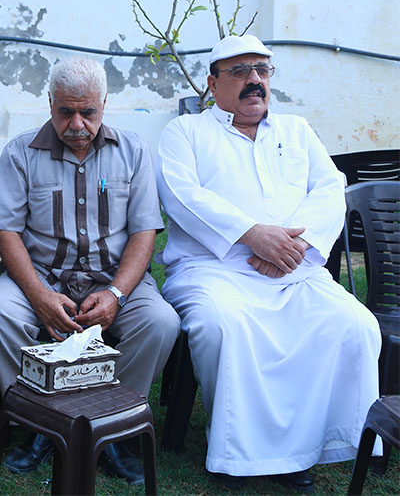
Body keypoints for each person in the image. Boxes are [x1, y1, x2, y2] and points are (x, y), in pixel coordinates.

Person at [155, 34, 381, 492]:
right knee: (223, 326)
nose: (254, 80)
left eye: (262, 69)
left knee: (354, 324)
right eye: (239, 71)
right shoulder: (186, 132)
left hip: (295, 269)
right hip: (213, 272)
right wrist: (253, 235)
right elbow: (181, 195)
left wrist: (295, 247)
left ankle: (309, 445)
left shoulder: (297, 130)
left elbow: (330, 187)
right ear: (212, 84)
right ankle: (239, 452)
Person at [0, 56, 180, 484]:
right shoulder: (20, 152)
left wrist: (117, 295)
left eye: (88, 112)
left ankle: (114, 426)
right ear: (50, 103)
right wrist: (39, 296)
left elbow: (144, 233)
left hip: (114, 278)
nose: (77, 124)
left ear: (104, 103)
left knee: (160, 323)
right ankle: (40, 422)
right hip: (42, 276)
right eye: (66, 111)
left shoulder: (133, 150)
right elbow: (7, 233)